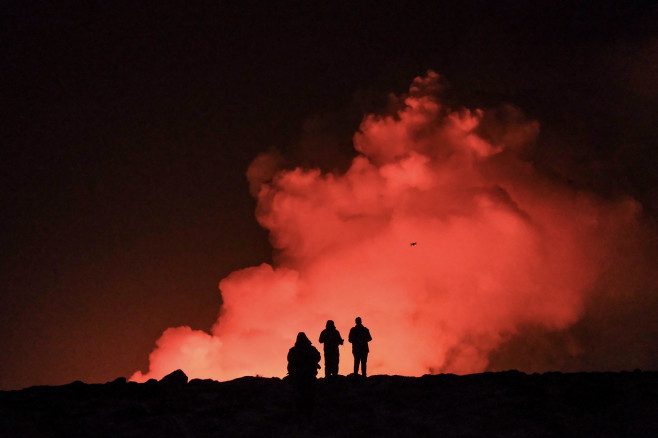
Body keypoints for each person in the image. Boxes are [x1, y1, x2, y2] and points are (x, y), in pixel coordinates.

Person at [286, 332, 321, 418]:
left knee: (301, 397)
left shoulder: (293, 350)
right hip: (306, 377)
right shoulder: (311, 349)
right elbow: (317, 357)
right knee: (307, 397)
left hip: (301, 377)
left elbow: (290, 361)